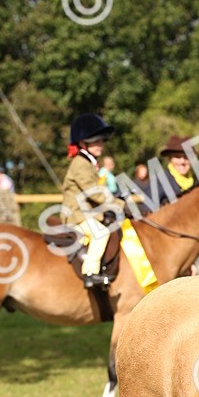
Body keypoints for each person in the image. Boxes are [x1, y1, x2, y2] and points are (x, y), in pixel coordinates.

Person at [61, 113, 122, 287]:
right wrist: (120, 205)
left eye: (101, 141)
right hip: (76, 215)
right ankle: (90, 273)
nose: (100, 145)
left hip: (85, 213)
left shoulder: (88, 162)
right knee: (101, 233)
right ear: (82, 144)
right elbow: (94, 193)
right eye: (96, 141)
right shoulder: (80, 163)